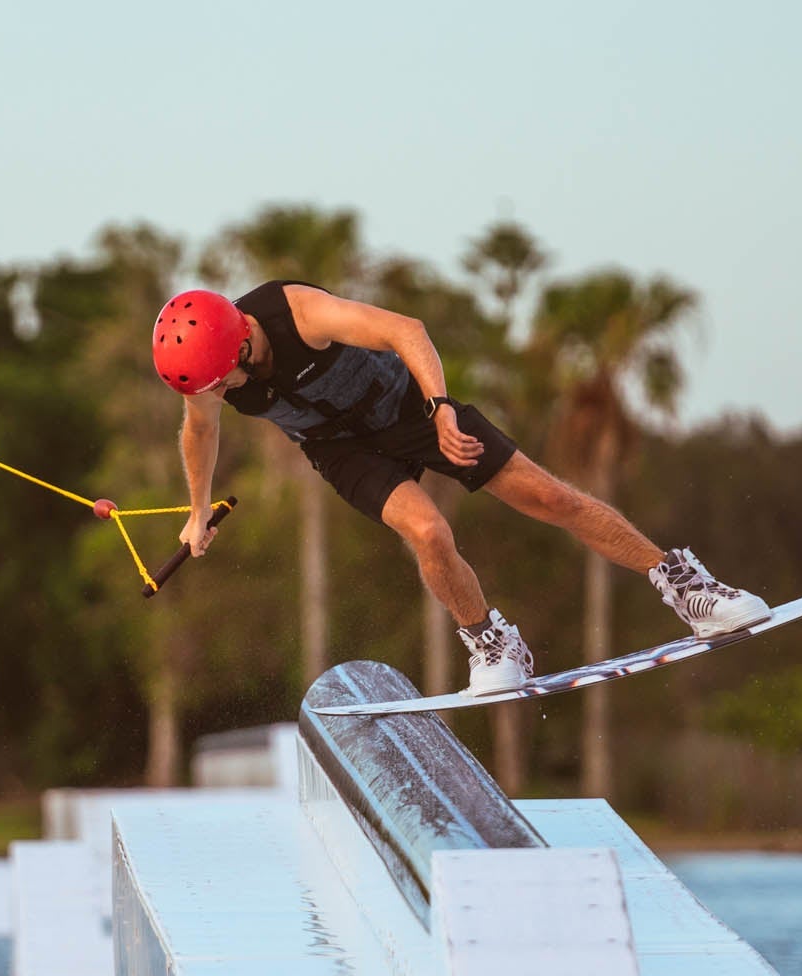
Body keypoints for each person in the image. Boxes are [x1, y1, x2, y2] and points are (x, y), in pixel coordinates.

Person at [154, 281, 769, 694]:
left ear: (240, 336)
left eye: (221, 380)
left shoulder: (298, 313)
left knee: (554, 499)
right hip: (339, 451)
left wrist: (441, 408)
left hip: (407, 410)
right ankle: (491, 642)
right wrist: (199, 509)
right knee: (428, 531)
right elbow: (198, 433)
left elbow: (406, 330)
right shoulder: (206, 377)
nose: (217, 392)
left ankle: (689, 588)